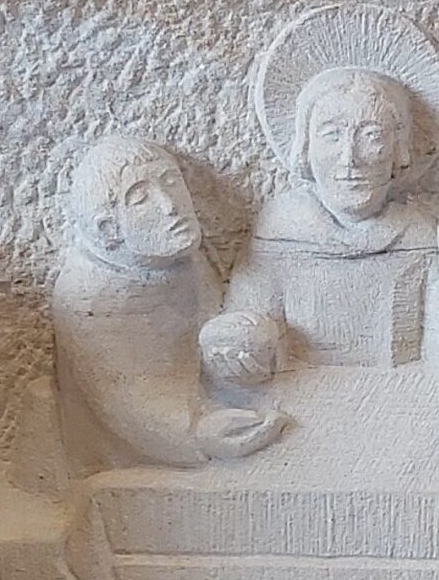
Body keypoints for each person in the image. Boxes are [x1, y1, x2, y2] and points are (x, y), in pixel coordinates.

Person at [52, 136, 286, 469]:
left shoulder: (182, 255)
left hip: (209, 401)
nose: (170, 205)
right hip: (140, 445)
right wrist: (197, 432)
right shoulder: (89, 294)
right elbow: (119, 399)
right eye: (141, 198)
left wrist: (237, 356)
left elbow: (209, 331)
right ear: (108, 229)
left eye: (171, 181)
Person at [211, 67, 439, 376]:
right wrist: (234, 348)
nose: (349, 159)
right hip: (299, 393)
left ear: (399, 147)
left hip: (404, 393)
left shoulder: (420, 234)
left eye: (372, 136)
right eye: (332, 135)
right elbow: (246, 321)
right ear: (305, 145)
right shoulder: (281, 228)